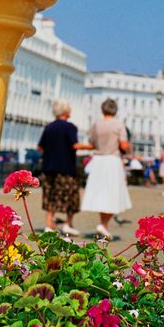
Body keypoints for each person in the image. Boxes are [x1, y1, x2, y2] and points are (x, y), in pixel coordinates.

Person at [37, 99, 92, 236]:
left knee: (50, 195)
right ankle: (68, 224)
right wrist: (91, 146)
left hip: (48, 167)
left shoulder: (48, 127)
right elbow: (75, 145)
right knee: (71, 195)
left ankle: (49, 225)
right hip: (66, 167)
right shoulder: (70, 127)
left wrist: (51, 153)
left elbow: (40, 147)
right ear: (66, 111)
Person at [81, 98, 132, 239]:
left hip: (98, 161)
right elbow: (123, 145)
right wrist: (127, 147)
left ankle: (103, 225)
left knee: (102, 193)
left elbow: (92, 143)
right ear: (115, 110)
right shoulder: (118, 125)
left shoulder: (96, 125)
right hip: (112, 160)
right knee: (113, 193)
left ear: (102, 110)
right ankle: (103, 225)